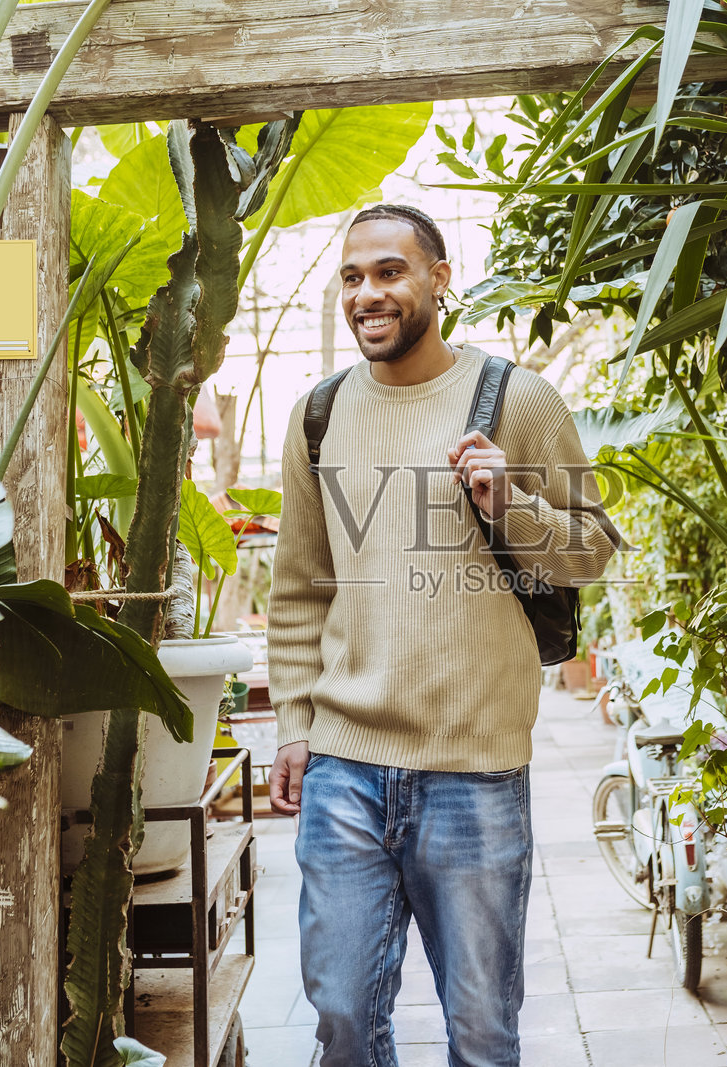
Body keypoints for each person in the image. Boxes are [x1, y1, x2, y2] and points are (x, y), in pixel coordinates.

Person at [266, 203, 620, 1067]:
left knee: (484, 1034)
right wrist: (292, 726)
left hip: (475, 771)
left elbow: (595, 550)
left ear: (438, 278)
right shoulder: (317, 415)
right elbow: (300, 587)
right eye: (352, 276)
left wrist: (515, 504)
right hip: (346, 766)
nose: (368, 294)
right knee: (345, 1018)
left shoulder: (517, 401)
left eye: (390, 271)